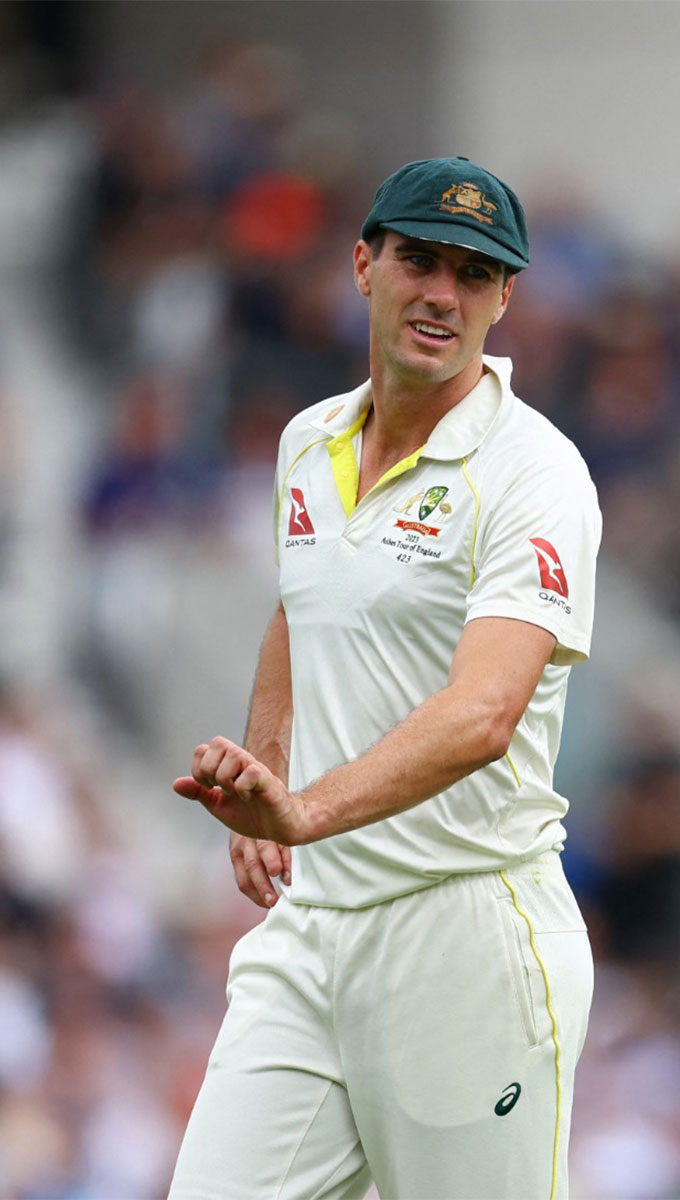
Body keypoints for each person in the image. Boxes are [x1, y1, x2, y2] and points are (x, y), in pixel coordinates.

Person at [169, 157, 601, 1199]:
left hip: (468, 937)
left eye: (474, 273)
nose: (442, 294)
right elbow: (300, 605)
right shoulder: (307, 440)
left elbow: (486, 713)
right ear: (364, 265)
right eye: (419, 260)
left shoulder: (535, 473)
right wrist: (264, 768)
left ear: (507, 298)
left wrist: (307, 809)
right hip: (313, 932)